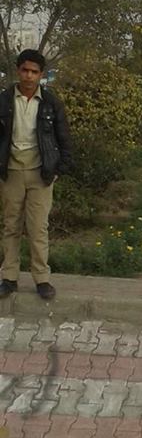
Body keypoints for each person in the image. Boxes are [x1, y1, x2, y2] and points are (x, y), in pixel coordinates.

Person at [0, 49, 72, 300]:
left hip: (41, 173)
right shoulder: (4, 100)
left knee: (38, 228)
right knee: (11, 226)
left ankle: (42, 279)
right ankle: (9, 277)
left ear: (41, 74)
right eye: (25, 70)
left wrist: (59, 169)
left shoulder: (51, 103)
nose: (28, 76)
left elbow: (63, 137)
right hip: (11, 172)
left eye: (34, 72)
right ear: (18, 71)